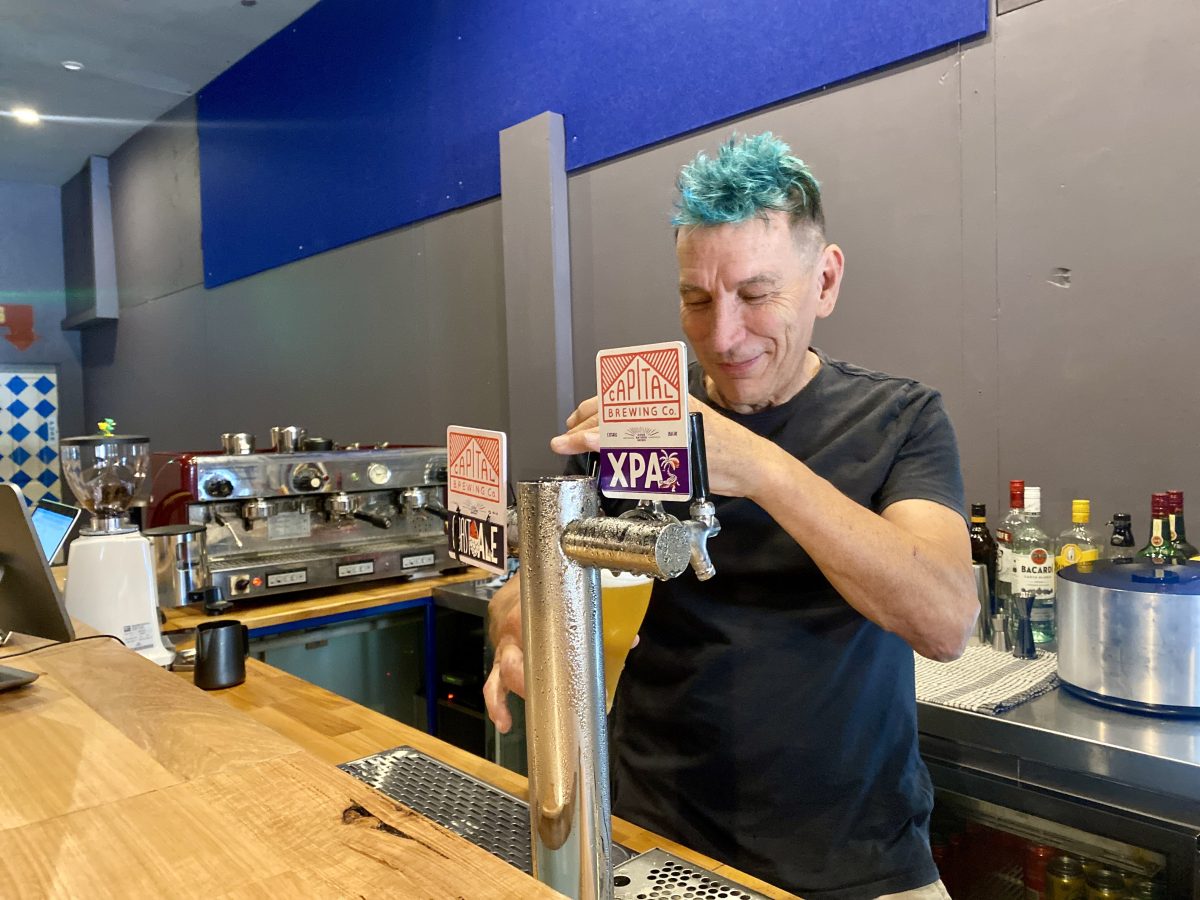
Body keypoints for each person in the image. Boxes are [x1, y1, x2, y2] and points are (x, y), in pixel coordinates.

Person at [484, 132, 976, 900]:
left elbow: (945, 619)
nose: (721, 338)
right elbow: (541, 576)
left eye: (755, 295)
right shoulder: (647, 416)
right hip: (649, 830)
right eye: (697, 299)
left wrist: (757, 466)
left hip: (855, 856)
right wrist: (517, 627)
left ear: (825, 281)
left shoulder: (900, 417)